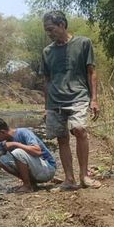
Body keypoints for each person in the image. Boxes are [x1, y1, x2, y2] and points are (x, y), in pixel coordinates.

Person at [42, 10, 101, 190]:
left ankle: (84, 176)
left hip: (79, 96)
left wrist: (94, 99)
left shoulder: (83, 43)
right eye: (47, 31)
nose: (50, 34)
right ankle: (69, 179)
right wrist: (46, 107)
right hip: (55, 101)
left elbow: (91, 72)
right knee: (61, 138)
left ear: (62, 25)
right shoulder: (47, 51)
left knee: (79, 129)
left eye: (51, 29)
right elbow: (46, 80)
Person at [0, 118, 56, 193]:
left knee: (17, 152)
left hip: (48, 169)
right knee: (1, 159)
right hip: (37, 171)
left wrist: (15, 144)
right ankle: (31, 183)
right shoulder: (3, 143)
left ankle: (27, 186)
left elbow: (38, 151)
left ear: (2, 132)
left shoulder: (24, 132)